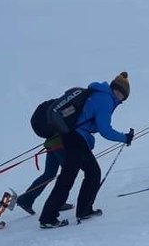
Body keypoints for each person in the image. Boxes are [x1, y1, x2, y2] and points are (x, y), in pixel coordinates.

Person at [38, 72, 134, 228]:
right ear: (117, 91)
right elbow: (105, 130)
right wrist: (124, 138)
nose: (120, 97)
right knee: (79, 175)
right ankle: (49, 217)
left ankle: (82, 210)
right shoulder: (106, 100)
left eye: (122, 96)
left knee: (85, 173)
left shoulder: (98, 94)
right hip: (77, 138)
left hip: (73, 136)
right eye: (121, 94)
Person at [15, 135, 73, 216]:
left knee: (49, 174)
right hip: (60, 143)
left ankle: (26, 200)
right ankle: (58, 203)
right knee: (68, 173)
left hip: (51, 143)